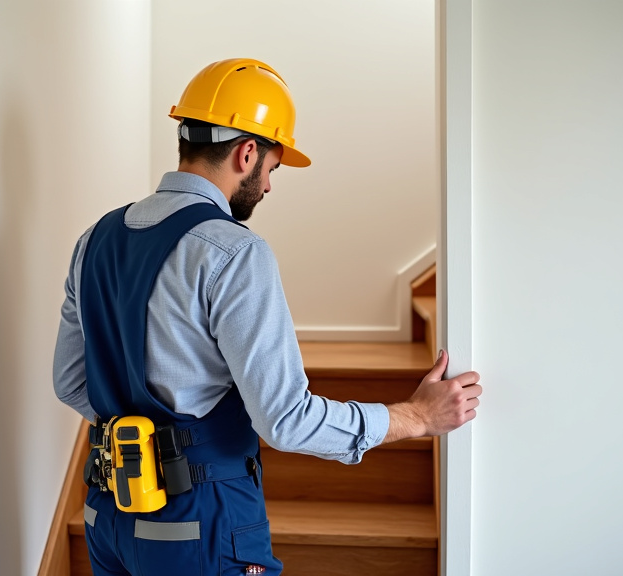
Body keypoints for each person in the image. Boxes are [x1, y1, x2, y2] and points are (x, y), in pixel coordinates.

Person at [53, 58, 482, 576]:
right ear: (247, 151)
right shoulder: (232, 252)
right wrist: (417, 417)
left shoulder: (92, 240)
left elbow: (71, 382)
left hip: (108, 517)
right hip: (200, 525)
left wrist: (138, 437)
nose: (270, 186)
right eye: (273, 168)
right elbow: (285, 420)